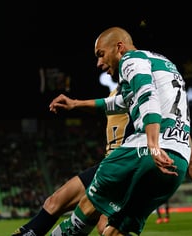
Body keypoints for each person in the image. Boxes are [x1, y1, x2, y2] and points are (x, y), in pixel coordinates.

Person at [50, 26, 192, 236]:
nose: (99, 63)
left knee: (89, 205)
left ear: (119, 47)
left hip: (143, 152)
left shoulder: (130, 60)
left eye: (101, 54)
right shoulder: (165, 66)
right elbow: (127, 103)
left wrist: (152, 145)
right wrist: (76, 104)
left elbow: (146, 94)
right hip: (178, 161)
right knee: (115, 231)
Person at [12, 86, 134, 236]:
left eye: (100, 59)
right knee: (54, 202)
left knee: (105, 227)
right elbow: (104, 108)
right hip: (107, 164)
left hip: (125, 164)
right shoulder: (116, 91)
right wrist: (74, 105)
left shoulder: (138, 84)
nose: (99, 64)